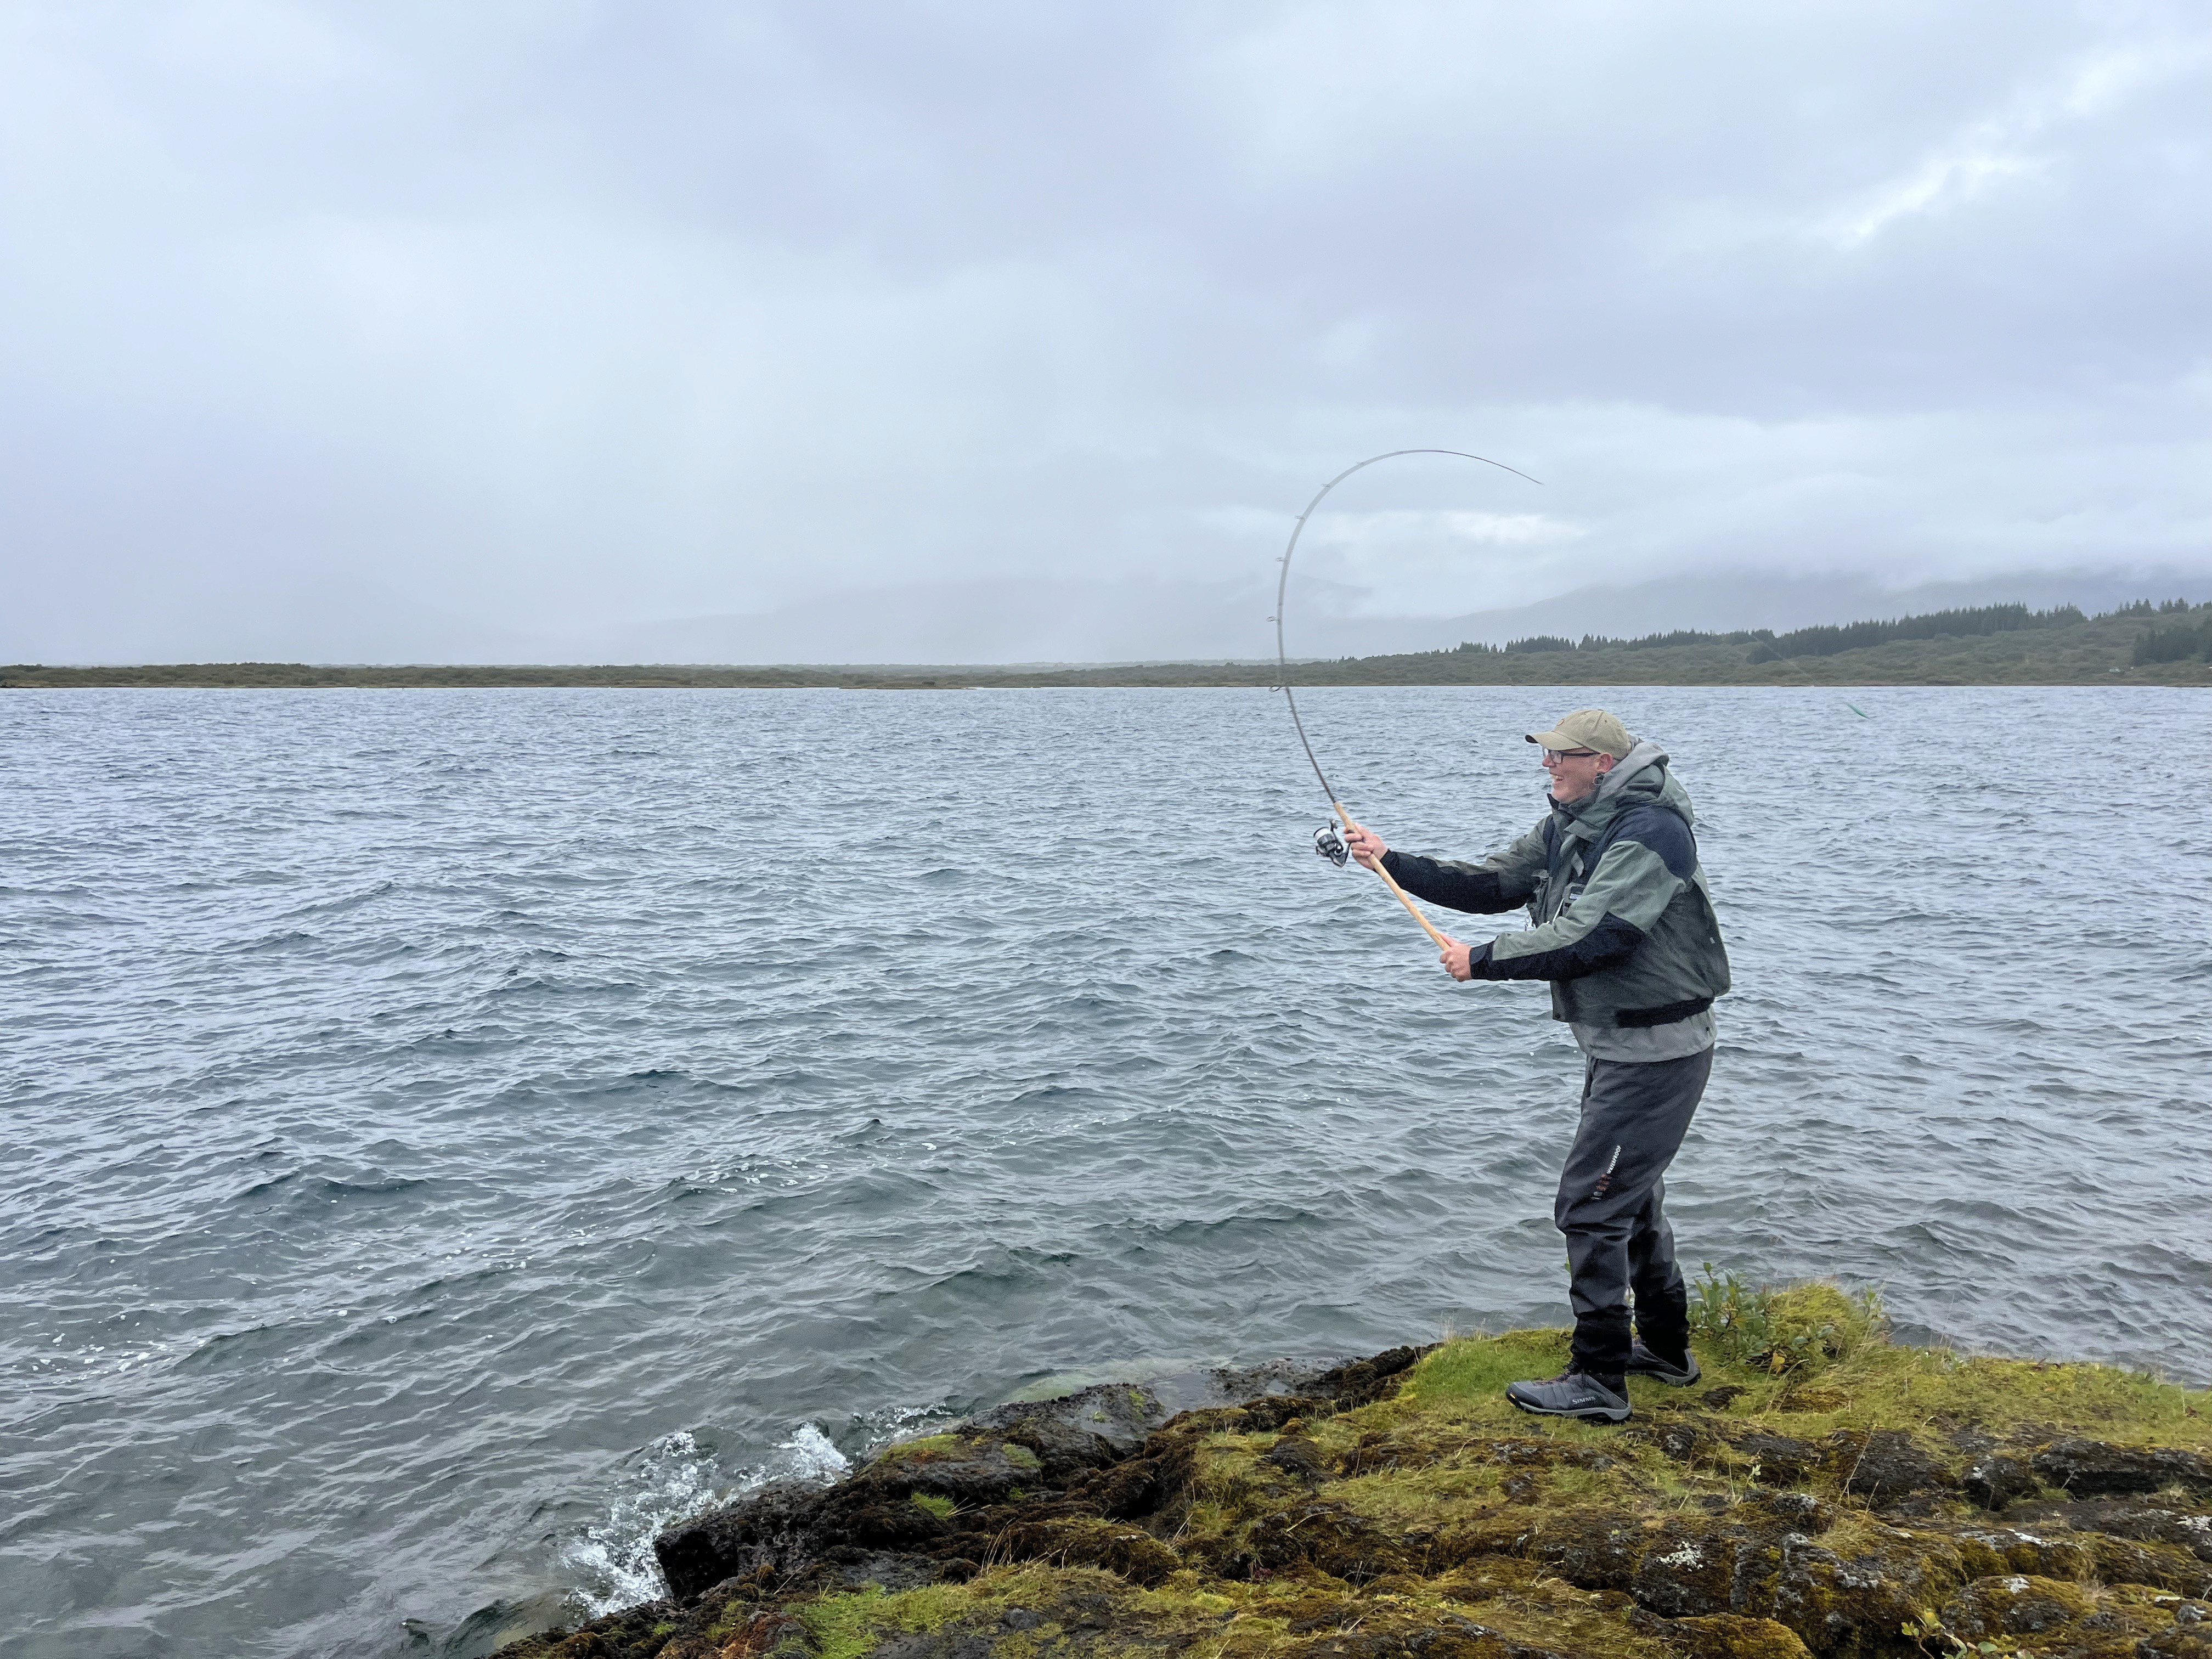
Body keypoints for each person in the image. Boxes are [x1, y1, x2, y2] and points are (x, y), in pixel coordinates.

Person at [1342, 707, 1730, 1424]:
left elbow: (1599, 936)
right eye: (1548, 756)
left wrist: (1483, 961)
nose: (1549, 767)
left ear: (1604, 764)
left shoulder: (1653, 832)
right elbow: (1492, 883)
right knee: (1630, 1199)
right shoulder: (1568, 823)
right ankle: (1668, 1353)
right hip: (1620, 1045)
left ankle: (1600, 1380)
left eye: (1564, 757)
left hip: (1657, 1053)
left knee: (1589, 1202)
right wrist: (1391, 861)